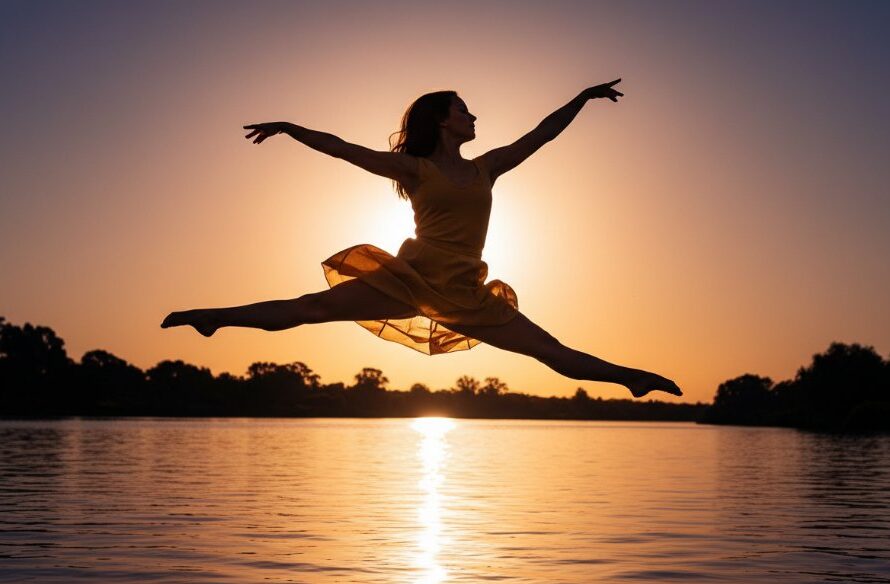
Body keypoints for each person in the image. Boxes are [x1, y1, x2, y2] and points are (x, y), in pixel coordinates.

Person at [162, 80, 682, 398]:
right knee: (310, 308)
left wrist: (583, 98)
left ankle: (630, 378)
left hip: (466, 292)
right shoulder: (413, 169)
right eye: (463, 109)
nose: (473, 116)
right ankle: (213, 318)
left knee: (551, 351)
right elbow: (341, 148)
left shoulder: (488, 168)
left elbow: (542, 133)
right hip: (408, 280)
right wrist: (290, 127)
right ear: (441, 118)